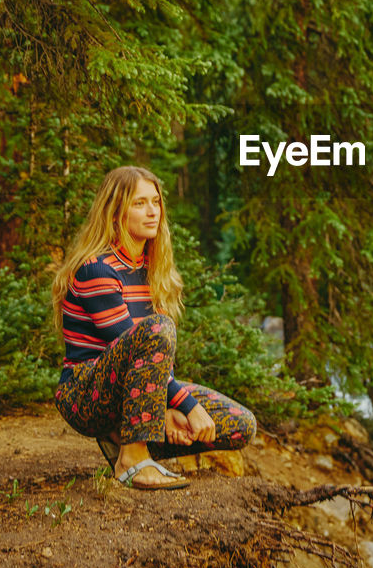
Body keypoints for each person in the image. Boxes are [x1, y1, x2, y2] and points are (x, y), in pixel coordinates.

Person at [51, 166, 256, 489]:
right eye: (139, 203)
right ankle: (132, 459)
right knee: (157, 329)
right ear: (116, 212)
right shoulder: (97, 270)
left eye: (156, 202)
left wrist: (168, 406)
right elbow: (134, 342)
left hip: (135, 393)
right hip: (85, 393)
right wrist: (185, 405)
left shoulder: (151, 269)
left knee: (240, 424)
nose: (152, 212)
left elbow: (153, 361)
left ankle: (126, 437)